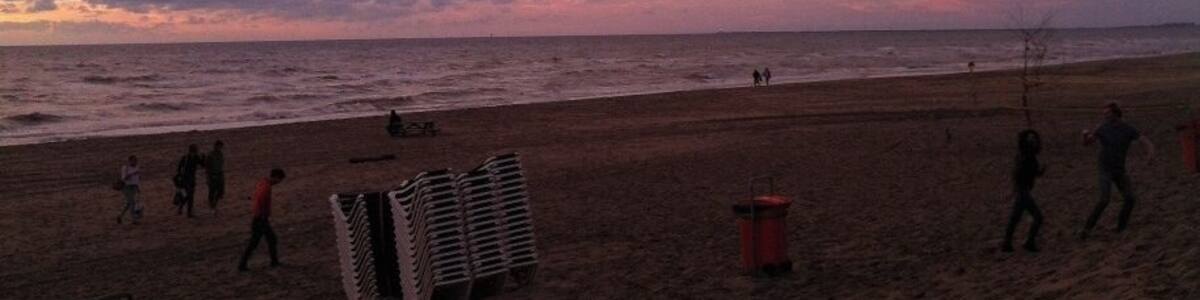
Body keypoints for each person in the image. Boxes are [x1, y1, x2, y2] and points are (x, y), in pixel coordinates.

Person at [1080, 102, 1155, 239]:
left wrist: (1150, 153)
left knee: (1130, 198)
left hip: (1119, 170)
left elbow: (1145, 140)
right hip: (1105, 168)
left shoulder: (1128, 129)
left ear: (1116, 114)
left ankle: (1121, 228)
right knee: (1104, 199)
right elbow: (1088, 143)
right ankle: (1087, 228)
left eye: (1107, 114)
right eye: (1104, 114)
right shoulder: (1102, 128)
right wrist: (1085, 136)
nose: (1105, 116)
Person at [1002, 130, 1045, 252]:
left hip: (1022, 190)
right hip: (1023, 191)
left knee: (1015, 218)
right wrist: (1033, 132)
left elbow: (1034, 173)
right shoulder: (1027, 156)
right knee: (1038, 217)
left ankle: (1007, 243)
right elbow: (1029, 172)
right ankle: (1029, 242)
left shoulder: (1025, 155)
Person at [238, 168, 287, 271]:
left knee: (262, 241)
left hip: (259, 218)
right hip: (261, 219)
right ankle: (273, 262)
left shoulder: (263, 183)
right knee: (265, 240)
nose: (279, 182)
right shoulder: (266, 187)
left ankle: (244, 264)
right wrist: (263, 216)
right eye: (279, 180)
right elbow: (260, 201)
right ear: (276, 177)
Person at [175, 144, 204, 218]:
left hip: (191, 179)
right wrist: (179, 176)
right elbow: (179, 168)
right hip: (185, 179)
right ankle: (186, 210)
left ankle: (185, 210)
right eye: (195, 150)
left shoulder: (196, 157)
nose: (196, 152)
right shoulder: (185, 158)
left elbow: (203, 165)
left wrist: (203, 158)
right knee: (187, 195)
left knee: (189, 196)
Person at [118, 155, 142, 224]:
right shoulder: (125, 168)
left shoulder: (137, 167)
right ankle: (134, 219)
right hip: (126, 187)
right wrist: (133, 173)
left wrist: (137, 186)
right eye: (134, 160)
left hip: (134, 186)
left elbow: (137, 178)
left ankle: (120, 216)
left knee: (129, 203)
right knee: (132, 203)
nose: (135, 162)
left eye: (136, 160)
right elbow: (124, 178)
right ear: (130, 161)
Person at [205, 141, 226, 216]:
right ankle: (212, 206)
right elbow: (207, 167)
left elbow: (221, 164)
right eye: (219, 146)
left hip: (220, 174)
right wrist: (208, 177)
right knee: (212, 191)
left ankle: (214, 204)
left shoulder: (220, 154)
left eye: (221, 147)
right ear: (216, 146)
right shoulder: (210, 155)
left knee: (220, 192)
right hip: (212, 175)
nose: (220, 148)